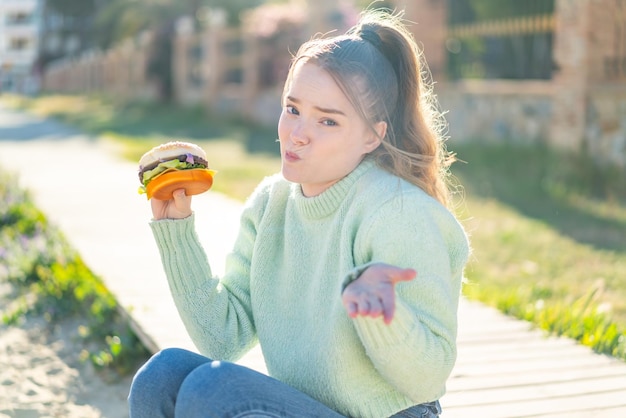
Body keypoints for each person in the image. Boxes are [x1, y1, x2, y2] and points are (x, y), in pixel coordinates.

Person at [128, 8, 470, 418]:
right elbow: (222, 339)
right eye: (292, 109)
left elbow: (427, 379)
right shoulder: (272, 202)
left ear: (372, 136)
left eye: (327, 120)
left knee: (212, 387)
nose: (298, 134)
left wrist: (382, 316)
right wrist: (175, 230)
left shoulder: (398, 213)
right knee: (161, 376)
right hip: (308, 408)